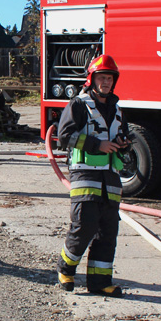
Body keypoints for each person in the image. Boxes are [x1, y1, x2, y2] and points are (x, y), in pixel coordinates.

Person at [55, 54, 130, 297]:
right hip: (85, 174)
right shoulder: (78, 104)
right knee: (84, 226)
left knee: (108, 231)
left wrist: (123, 143)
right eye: (102, 77)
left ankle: (100, 282)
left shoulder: (117, 109)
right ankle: (65, 269)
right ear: (92, 79)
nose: (106, 82)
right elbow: (64, 136)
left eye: (109, 78)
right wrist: (97, 145)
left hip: (110, 178)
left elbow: (123, 137)